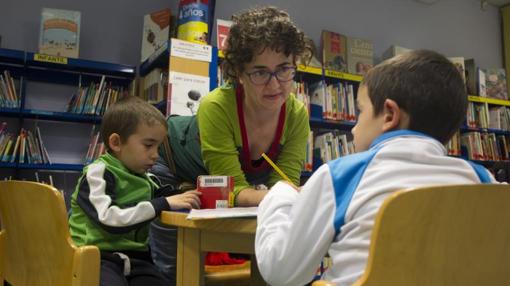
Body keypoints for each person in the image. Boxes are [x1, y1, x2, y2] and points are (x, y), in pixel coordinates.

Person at [255, 50, 499, 286]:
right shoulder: (483, 180)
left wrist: (279, 195)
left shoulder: (342, 176)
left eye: (361, 111)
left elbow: (281, 272)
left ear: (389, 115)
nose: (353, 128)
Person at [148, 5, 313, 282]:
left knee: (228, 271)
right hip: (174, 168)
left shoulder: (297, 115)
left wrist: (285, 194)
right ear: (238, 72)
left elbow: (280, 185)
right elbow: (234, 189)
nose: (275, 85)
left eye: (284, 69)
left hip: (225, 184)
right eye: (260, 73)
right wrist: (291, 195)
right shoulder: (216, 105)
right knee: (176, 267)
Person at [68, 96, 201, 286]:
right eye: (148, 145)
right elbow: (109, 218)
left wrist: (193, 196)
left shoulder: (146, 178)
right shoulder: (98, 174)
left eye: (158, 147)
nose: (155, 155)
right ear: (116, 143)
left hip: (138, 259)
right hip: (97, 257)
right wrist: (162, 204)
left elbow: (165, 197)